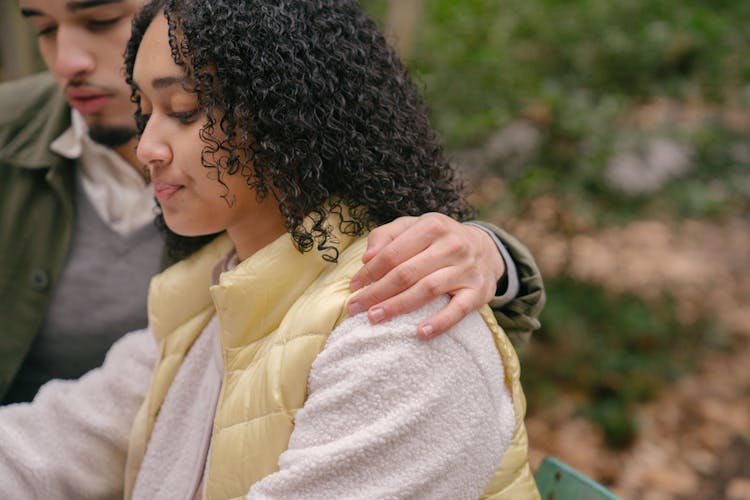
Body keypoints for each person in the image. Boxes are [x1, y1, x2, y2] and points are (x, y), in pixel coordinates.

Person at [0, 0, 540, 498]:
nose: (146, 149)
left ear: (290, 107)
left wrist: (493, 252)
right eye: (145, 112)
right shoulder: (209, 294)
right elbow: (53, 443)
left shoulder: (398, 324)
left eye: (184, 109)